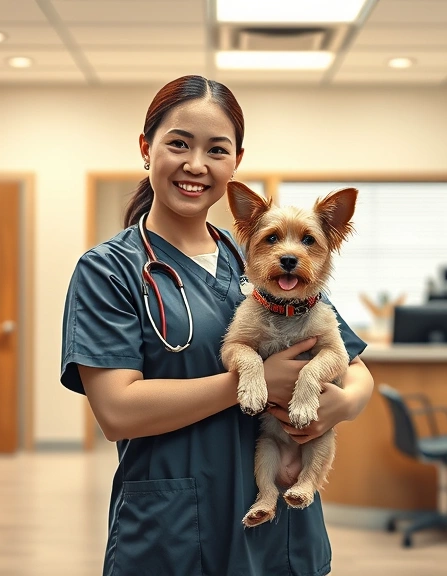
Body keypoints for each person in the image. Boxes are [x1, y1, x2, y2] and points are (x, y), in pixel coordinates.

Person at [59, 75, 374, 576]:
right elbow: (117, 410)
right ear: (146, 148)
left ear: (236, 163)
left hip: (282, 529)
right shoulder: (109, 270)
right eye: (178, 144)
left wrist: (344, 403)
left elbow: (354, 367)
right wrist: (249, 383)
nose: (196, 165)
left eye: (216, 149)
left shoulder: (262, 256)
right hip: (176, 529)